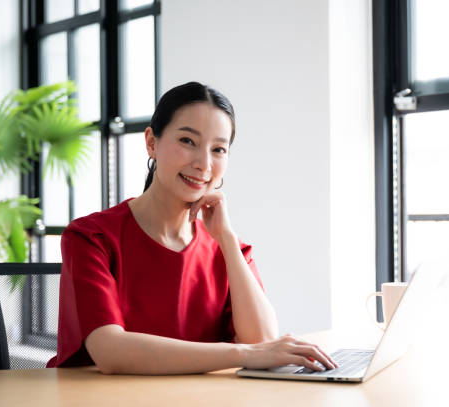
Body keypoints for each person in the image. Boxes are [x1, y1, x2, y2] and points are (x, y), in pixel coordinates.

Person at [47, 82, 337, 374]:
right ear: (152, 143)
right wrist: (242, 353)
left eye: (218, 149)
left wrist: (226, 238)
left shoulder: (228, 249)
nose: (204, 164)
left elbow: (264, 342)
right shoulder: (90, 237)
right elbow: (110, 351)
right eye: (188, 141)